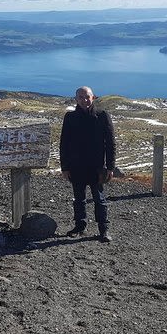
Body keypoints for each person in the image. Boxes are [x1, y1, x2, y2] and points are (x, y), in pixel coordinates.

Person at [59, 86, 117, 243]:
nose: (84, 100)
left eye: (87, 97)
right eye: (81, 97)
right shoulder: (70, 117)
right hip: (76, 166)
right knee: (79, 199)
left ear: (93, 98)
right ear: (76, 99)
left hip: (97, 167)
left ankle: (103, 229)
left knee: (99, 198)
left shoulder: (102, 116)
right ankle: (80, 226)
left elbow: (110, 143)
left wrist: (110, 167)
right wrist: (64, 167)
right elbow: (64, 143)